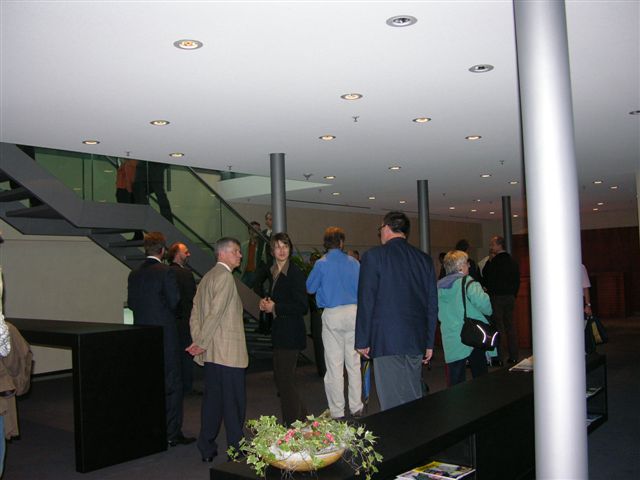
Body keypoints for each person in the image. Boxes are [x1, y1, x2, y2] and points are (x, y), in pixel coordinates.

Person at [355, 211, 438, 411]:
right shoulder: (424, 259)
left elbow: (366, 300)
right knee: (412, 396)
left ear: (387, 228)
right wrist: (429, 342)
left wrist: (362, 340)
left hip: (387, 340)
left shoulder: (374, 256)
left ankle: (399, 432)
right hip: (416, 340)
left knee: (391, 402)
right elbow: (431, 304)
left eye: (380, 228)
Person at [127, 232, 194, 447]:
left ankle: (151, 428)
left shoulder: (134, 274)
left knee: (150, 381)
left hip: (143, 335)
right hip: (166, 335)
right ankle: (172, 433)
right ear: (163, 251)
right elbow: (175, 302)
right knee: (172, 383)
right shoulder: (166, 272)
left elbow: (132, 303)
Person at [187, 237, 247, 462]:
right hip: (228, 354)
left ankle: (206, 446)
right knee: (234, 405)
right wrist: (200, 342)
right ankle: (236, 450)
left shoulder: (207, 278)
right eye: (236, 251)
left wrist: (199, 341)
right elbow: (216, 313)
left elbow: (195, 312)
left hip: (212, 354)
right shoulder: (225, 277)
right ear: (222, 254)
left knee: (212, 404)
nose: (240, 255)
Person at [307, 227, 363, 419]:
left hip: (332, 314)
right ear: (341, 243)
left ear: (325, 244)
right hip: (354, 313)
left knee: (334, 365)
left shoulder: (321, 264)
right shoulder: (354, 262)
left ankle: (338, 410)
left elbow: (310, 288)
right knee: (354, 363)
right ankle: (356, 406)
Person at [259, 232, 309, 425]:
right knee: (282, 381)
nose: (282, 250)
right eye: (278, 247)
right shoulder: (273, 271)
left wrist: (276, 307)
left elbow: (302, 306)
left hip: (291, 334)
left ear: (290, 249)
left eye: (285, 246)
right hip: (280, 333)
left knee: (285, 382)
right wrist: (266, 303)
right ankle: (303, 420)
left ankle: (293, 425)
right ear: (272, 251)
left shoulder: (295, 273)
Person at [437, 250, 493, 386]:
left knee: (455, 379)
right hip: (472, 334)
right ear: (460, 266)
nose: (469, 265)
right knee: (480, 376)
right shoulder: (468, 283)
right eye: (467, 263)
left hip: (451, 336)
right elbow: (486, 306)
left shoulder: (438, 287)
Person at [482, 235, 520, 366]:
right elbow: (517, 280)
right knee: (510, 326)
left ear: (499, 245)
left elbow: (487, 277)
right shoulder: (512, 261)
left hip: (497, 297)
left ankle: (499, 357)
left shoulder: (494, 262)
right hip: (510, 297)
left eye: (493, 244)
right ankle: (514, 356)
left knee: (498, 327)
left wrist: (489, 262)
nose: (491, 247)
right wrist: (513, 294)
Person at [168, 242, 197, 395]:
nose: (188, 254)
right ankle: (187, 386)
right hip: (185, 320)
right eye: (186, 252)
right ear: (177, 254)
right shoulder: (186, 274)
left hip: (170, 320)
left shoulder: (166, 272)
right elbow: (193, 298)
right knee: (186, 354)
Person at [240, 221, 264, 290]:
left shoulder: (262, 246)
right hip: (245, 273)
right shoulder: (244, 246)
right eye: (255, 229)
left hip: (256, 273)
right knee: (242, 290)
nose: (257, 231)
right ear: (250, 231)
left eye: (259, 229)